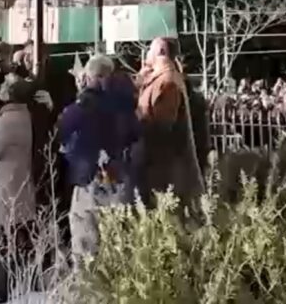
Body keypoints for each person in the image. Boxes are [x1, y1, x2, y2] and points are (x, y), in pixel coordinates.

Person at [60, 55, 138, 263]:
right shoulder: (126, 104)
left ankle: (88, 289)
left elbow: (61, 131)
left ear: (90, 76)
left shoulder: (83, 106)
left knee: (86, 243)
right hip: (118, 179)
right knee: (116, 244)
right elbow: (134, 135)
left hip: (89, 181)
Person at [0, 75, 36, 302]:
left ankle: (2, 292)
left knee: (4, 241)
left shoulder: (7, 120)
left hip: (6, 185)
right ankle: (22, 285)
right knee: (18, 237)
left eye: (4, 85)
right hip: (20, 182)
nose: (0, 87)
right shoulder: (23, 115)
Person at [132, 38, 204, 208]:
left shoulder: (167, 82)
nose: (147, 53)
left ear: (161, 52)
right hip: (156, 167)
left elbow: (162, 127)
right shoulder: (158, 80)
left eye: (150, 49)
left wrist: (134, 127)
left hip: (163, 169)